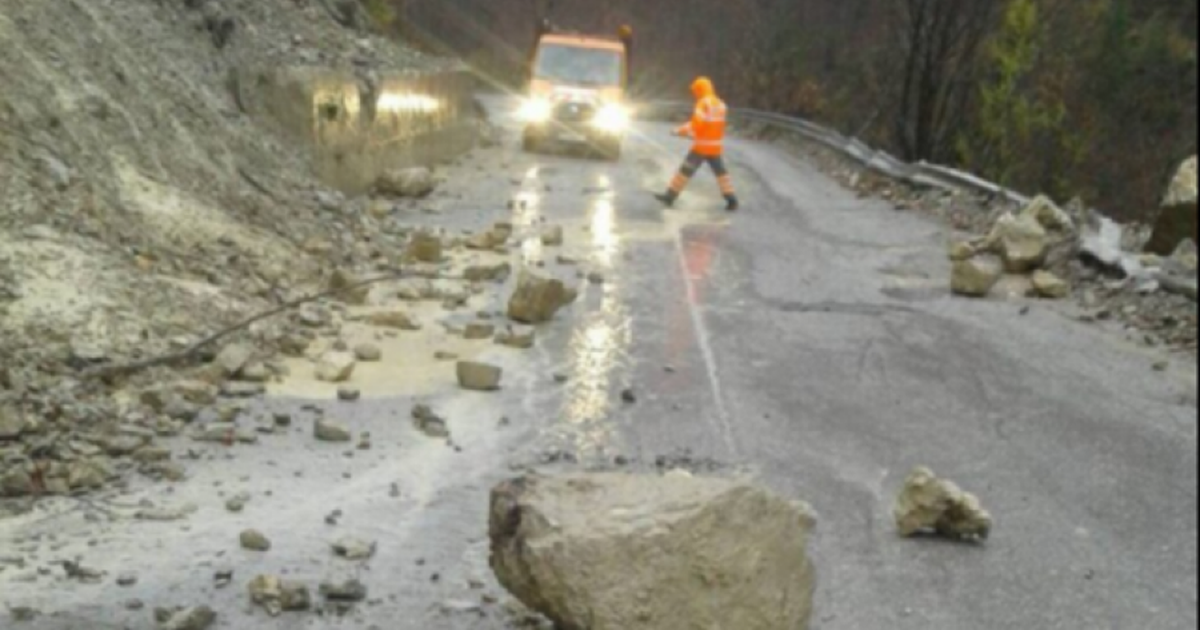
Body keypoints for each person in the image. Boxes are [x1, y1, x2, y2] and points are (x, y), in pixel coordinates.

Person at [655, 77, 739, 212]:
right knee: (721, 174)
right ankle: (732, 200)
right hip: (715, 147)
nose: (694, 94)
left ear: (700, 90)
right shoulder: (721, 104)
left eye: (695, 91)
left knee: (684, 171)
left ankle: (669, 197)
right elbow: (715, 126)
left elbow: (696, 124)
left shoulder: (703, 103)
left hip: (701, 147)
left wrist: (679, 130)